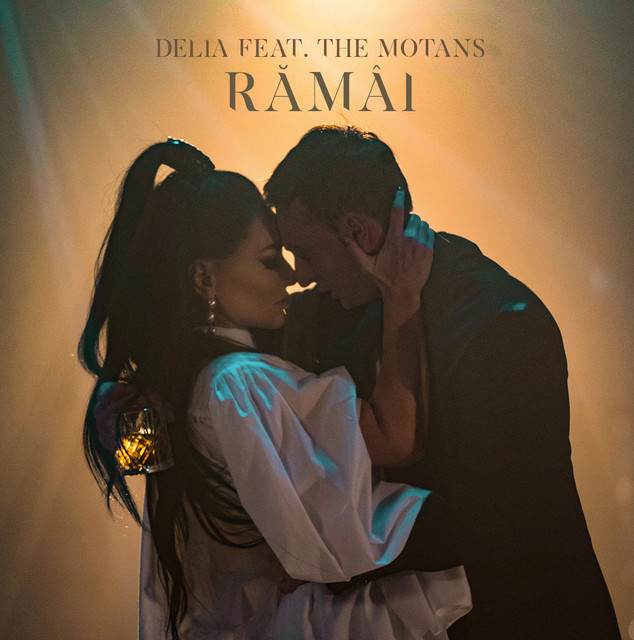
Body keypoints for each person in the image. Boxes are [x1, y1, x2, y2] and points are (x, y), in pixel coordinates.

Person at [80, 139, 471, 639]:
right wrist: (403, 299)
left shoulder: (181, 384)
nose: (293, 276)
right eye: (270, 260)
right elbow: (396, 439)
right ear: (204, 278)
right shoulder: (238, 383)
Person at [263, 124, 622, 640]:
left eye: (307, 254)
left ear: (359, 233)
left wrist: (326, 554)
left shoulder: (499, 328)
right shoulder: (355, 302)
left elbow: (493, 523)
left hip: (525, 621)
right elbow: (264, 321)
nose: (300, 275)